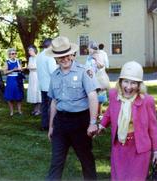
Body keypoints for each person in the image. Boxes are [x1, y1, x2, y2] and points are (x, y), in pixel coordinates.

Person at [45, 36, 99, 180]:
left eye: (66, 55)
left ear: (72, 54)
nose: (64, 59)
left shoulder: (84, 71)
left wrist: (93, 123)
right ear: (56, 58)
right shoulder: (55, 75)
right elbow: (54, 102)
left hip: (80, 122)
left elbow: (93, 97)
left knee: (86, 159)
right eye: (60, 56)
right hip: (61, 123)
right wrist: (51, 126)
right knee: (56, 162)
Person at [98, 61, 157, 181]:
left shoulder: (147, 101)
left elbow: (153, 127)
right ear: (120, 82)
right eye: (126, 81)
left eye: (133, 83)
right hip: (119, 147)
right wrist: (102, 125)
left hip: (139, 149)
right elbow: (109, 112)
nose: (128, 87)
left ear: (139, 85)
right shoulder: (114, 95)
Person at [36, 38, 58, 131]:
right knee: (51, 107)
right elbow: (52, 71)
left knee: (44, 106)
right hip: (50, 85)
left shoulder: (39, 55)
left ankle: (44, 124)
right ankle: (51, 125)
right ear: (50, 46)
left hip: (42, 84)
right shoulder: (49, 56)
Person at [86, 41, 108, 119]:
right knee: (97, 98)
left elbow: (98, 67)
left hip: (96, 80)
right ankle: (97, 114)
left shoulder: (95, 56)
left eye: (89, 47)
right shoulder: (93, 56)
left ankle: (97, 115)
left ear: (92, 48)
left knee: (97, 98)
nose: (88, 49)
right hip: (95, 79)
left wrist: (96, 59)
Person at [3, 48, 24, 116]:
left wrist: (20, 69)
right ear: (9, 55)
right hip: (11, 80)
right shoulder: (7, 62)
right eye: (12, 54)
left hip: (18, 79)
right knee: (10, 96)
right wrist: (13, 70)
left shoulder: (18, 61)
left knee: (19, 96)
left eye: (15, 53)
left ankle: (19, 111)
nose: (14, 55)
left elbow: (21, 69)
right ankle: (11, 111)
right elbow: (5, 72)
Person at [27, 45, 41, 115]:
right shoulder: (30, 58)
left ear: (34, 50)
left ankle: (38, 110)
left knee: (37, 92)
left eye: (31, 50)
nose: (29, 52)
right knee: (33, 92)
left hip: (37, 76)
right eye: (29, 50)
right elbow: (29, 67)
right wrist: (31, 67)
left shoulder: (38, 57)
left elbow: (38, 67)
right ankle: (35, 109)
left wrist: (31, 67)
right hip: (31, 76)